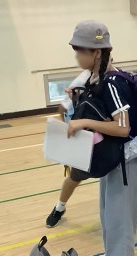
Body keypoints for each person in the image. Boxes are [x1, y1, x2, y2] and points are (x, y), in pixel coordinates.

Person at [59, 21, 137, 256]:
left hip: (125, 161)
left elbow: (123, 127)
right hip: (110, 159)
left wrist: (85, 123)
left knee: (120, 217)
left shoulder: (113, 81)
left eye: (81, 50)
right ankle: (114, 255)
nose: (77, 56)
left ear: (97, 52)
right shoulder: (93, 79)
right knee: (108, 213)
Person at [45, 68, 96, 229]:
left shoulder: (115, 77)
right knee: (75, 177)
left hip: (108, 139)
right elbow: (63, 109)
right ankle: (59, 207)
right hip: (86, 141)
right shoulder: (83, 79)